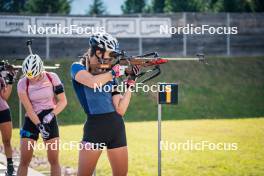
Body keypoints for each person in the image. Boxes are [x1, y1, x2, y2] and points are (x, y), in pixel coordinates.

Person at [71, 32, 140, 176]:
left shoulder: (109, 75)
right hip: (94, 128)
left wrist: (130, 84)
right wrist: (115, 72)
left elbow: (120, 109)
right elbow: (92, 82)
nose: (110, 61)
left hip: (116, 127)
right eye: (109, 56)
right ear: (97, 52)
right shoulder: (77, 68)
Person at [17, 54, 67, 176]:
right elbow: (28, 109)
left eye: (34, 75)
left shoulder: (52, 77)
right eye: (28, 75)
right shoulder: (22, 83)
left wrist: (51, 115)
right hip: (31, 119)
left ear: (40, 70)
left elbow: (63, 101)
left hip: (49, 117)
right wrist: (39, 125)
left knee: (54, 160)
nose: (31, 78)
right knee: (24, 161)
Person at [0, 67, 15, 176]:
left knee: (7, 141)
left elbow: (4, 96)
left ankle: (10, 169)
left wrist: (10, 81)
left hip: (3, 111)